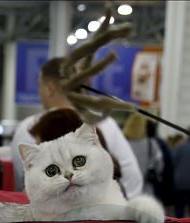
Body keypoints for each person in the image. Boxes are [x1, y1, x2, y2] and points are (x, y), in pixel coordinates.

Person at [10, 57, 142, 197]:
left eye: (39, 86)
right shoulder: (105, 123)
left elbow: (26, 180)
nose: (40, 93)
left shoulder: (30, 127)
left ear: (50, 88)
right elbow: (132, 177)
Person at [123, 113, 163, 197]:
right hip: (145, 189)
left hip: (124, 188)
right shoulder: (152, 143)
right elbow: (159, 165)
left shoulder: (121, 143)